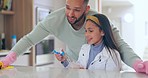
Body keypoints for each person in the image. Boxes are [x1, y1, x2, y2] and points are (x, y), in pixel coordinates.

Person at [0, 0, 147, 74]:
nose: (70, 14)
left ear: (86, 9)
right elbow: (29, 39)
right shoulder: (54, 20)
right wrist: (8, 59)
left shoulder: (98, 21)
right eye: (67, 7)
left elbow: (120, 45)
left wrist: (138, 64)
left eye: (77, 10)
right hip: (73, 67)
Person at [55, 14, 122, 70]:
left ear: (102, 32)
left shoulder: (112, 55)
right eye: (86, 31)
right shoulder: (84, 48)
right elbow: (79, 69)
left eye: (90, 31)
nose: (86, 35)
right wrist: (64, 60)